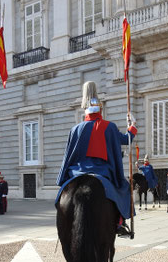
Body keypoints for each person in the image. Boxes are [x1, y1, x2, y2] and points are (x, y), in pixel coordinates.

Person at [56, 81, 137, 238]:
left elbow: (68, 156)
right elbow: (127, 139)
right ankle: (120, 223)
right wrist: (132, 126)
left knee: (63, 195)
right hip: (102, 172)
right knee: (125, 188)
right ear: (100, 108)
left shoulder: (75, 129)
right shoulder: (110, 127)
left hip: (76, 173)